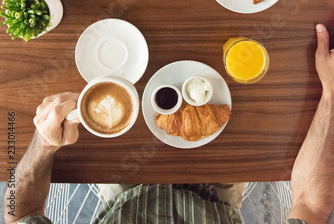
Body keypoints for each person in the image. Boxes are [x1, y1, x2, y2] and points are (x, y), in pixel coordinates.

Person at [5, 24, 332, 224]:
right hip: (216, 193)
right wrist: (330, 98)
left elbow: (14, 212)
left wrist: (44, 143)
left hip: (124, 191)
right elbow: (312, 207)